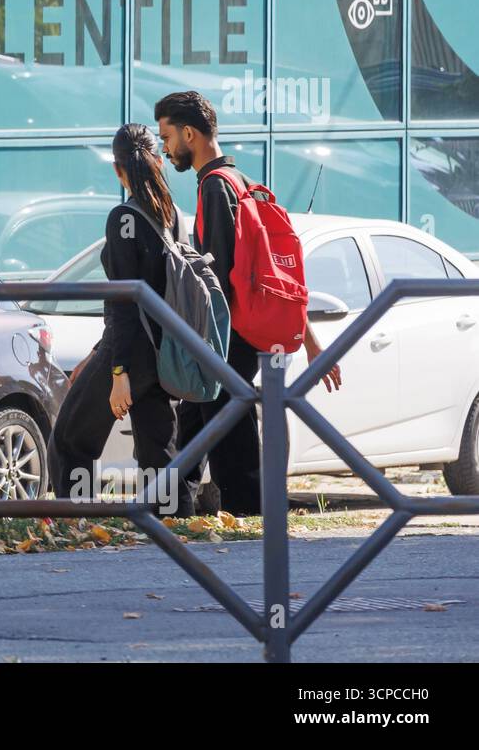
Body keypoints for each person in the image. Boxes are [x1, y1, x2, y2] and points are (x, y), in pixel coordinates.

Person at [155, 91, 341, 515]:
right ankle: (171, 505)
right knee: (200, 414)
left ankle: (250, 510)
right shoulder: (243, 184)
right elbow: (277, 275)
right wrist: (309, 342)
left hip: (227, 333)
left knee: (226, 420)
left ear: (189, 134)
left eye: (167, 137)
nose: (165, 149)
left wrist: (199, 337)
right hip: (245, 328)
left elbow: (216, 280)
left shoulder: (215, 188)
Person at [47, 124, 196, 518]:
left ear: (117, 170)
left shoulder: (122, 218)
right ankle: (173, 523)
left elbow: (125, 304)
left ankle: (75, 520)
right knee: (156, 446)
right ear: (159, 161)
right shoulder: (176, 218)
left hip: (128, 352)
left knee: (70, 439)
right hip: (164, 352)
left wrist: (117, 371)